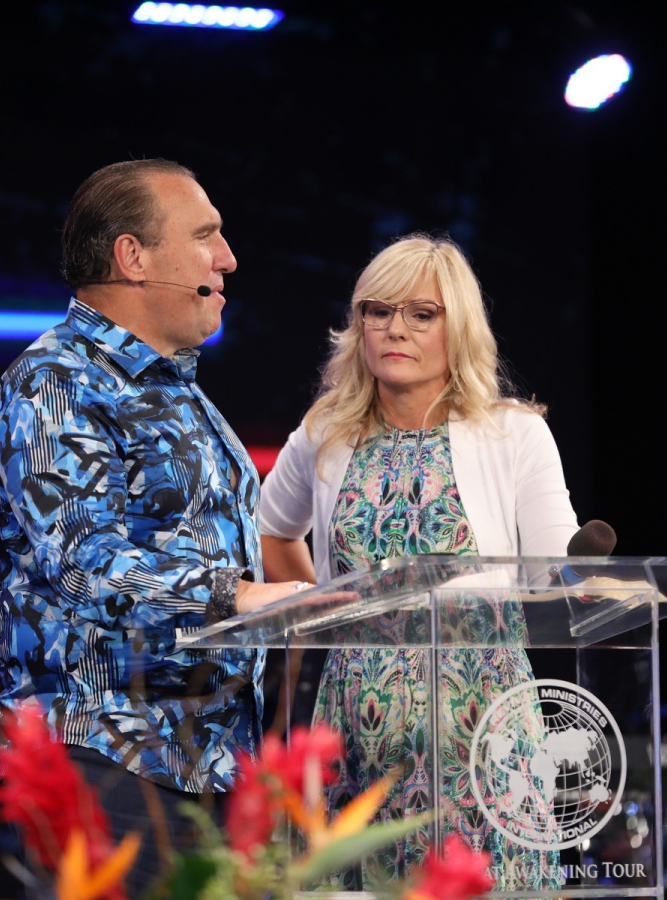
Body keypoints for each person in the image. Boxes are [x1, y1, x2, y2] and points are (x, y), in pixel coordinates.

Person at [0, 158, 306, 894]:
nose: (227, 259)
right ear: (133, 256)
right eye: (205, 236)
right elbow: (82, 563)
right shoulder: (55, 383)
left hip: (213, 772)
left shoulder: (178, 390)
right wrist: (235, 596)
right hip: (106, 766)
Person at [257, 234, 580, 891]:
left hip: (483, 734)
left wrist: (587, 571)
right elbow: (270, 532)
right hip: (356, 738)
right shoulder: (326, 433)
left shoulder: (514, 432)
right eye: (377, 311)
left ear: (457, 328)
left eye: (420, 314)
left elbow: (559, 573)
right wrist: (321, 607)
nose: (394, 329)